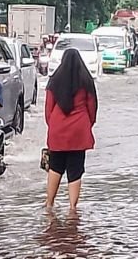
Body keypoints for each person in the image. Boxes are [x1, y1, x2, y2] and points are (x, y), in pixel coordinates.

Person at [44, 48, 97, 211]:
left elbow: (48, 109)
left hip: (58, 129)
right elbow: (92, 108)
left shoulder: (54, 81)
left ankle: (49, 203)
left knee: (55, 166)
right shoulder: (86, 81)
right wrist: (87, 125)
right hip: (79, 132)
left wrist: (53, 126)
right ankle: (73, 207)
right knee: (75, 170)